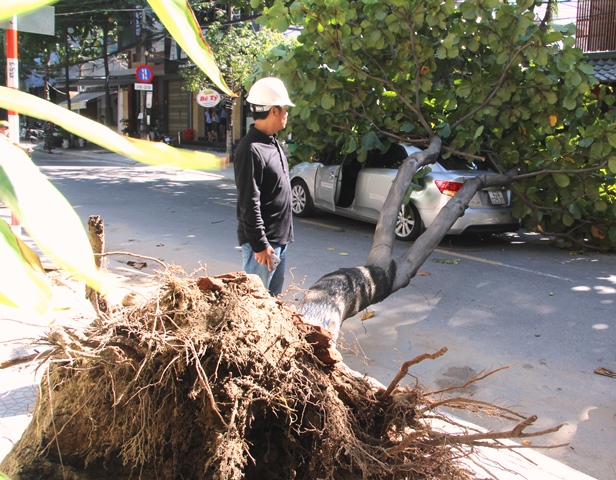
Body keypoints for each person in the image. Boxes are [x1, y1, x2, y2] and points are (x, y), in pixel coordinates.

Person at [233, 77, 295, 296]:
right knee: (254, 304)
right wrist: (260, 244)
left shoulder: (271, 142)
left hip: (278, 240)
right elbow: (249, 201)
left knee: (272, 302)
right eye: (284, 107)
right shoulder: (250, 149)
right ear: (274, 111)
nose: (287, 112)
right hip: (263, 246)